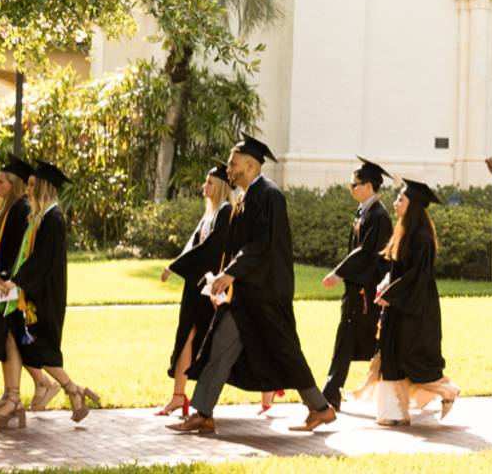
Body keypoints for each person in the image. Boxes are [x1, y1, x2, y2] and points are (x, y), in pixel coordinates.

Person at [170, 133, 338, 434]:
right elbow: (233, 246)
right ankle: (202, 412)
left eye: (233, 164)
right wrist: (221, 280)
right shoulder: (245, 198)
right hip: (246, 294)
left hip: (266, 293)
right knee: (221, 345)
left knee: (285, 349)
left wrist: (230, 274)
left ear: (250, 166)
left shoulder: (269, 196)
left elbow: (262, 245)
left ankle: (321, 408)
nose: (229, 170)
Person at [0, 162, 101, 429]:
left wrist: (16, 283)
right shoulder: (39, 218)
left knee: (38, 346)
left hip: (43, 295)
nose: (28, 189)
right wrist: (6, 280)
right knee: (13, 337)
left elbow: (42, 262)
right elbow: (24, 257)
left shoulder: (54, 219)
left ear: (45, 188)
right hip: (29, 291)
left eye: (33, 185)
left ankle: (73, 390)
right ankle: (15, 398)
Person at [0, 157, 60, 428]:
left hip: (10, 286)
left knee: (14, 339)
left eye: (2, 181)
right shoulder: (8, 208)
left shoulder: (22, 208)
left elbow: (20, 253)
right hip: (0, 285)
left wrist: (5, 280)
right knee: (5, 339)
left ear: (14, 185)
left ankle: (49, 384)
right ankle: (12, 393)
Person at [366, 179, 460, 426]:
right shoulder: (404, 232)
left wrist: (391, 294)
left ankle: (448, 389)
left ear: (414, 206)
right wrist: (386, 283)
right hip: (401, 304)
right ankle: (393, 413)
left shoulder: (422, 238)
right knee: (392, 355)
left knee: (411, 358)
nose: (395, 203)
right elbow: (398, 270)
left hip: (416, 307)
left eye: (401, 199)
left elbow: (415, 277)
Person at [157, 166, 238, 418]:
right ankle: (178, 396)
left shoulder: (226, 212)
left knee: (221, 343)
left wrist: (174, 267)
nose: (204, 187)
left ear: (221, 186)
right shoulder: (210, 213)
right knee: (187, 338)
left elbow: (211, 250)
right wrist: (178, 262)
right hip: (197, 287)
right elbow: (193, 246)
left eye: (209, 183)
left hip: (211, 289)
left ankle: (269, 389)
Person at [317, 158, 392, 407]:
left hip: (367, 291)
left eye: (355, 184)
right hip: (358, 288)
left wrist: (338, 273)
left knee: (379, 343)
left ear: (369, 187)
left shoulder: (379, 217)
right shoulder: (364, 212)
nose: (351, 188)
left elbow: (366, 253)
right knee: (349, 338)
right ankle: (331, 391)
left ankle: (417, 384)